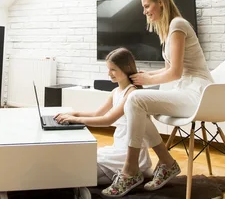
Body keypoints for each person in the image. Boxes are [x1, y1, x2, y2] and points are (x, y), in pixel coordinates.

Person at [102, 0, 213, 198]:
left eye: (146, 6)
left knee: (135, 99)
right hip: (187, 88)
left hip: (198, 93)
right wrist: (149, 76)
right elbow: (171, 69)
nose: (144, 11)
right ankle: (166, 162)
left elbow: (176, 72)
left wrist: (148, 79)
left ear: (160, 2)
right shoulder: (170, 29)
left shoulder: (178, 25)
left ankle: (131, 170)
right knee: (138, 103)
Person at [55, 48, 153, 185]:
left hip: (129, 151)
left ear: (126, 68)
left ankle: (138, 171)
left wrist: (75, 120)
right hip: (118, 147)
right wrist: (74, 113)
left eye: (113, 69)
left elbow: (108, 120)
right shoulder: (115, 91)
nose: (109, 74)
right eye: (108, 69)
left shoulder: (132, 93)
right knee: (83, 172)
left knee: (82, 176)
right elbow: (97, 114)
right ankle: (139, 174)